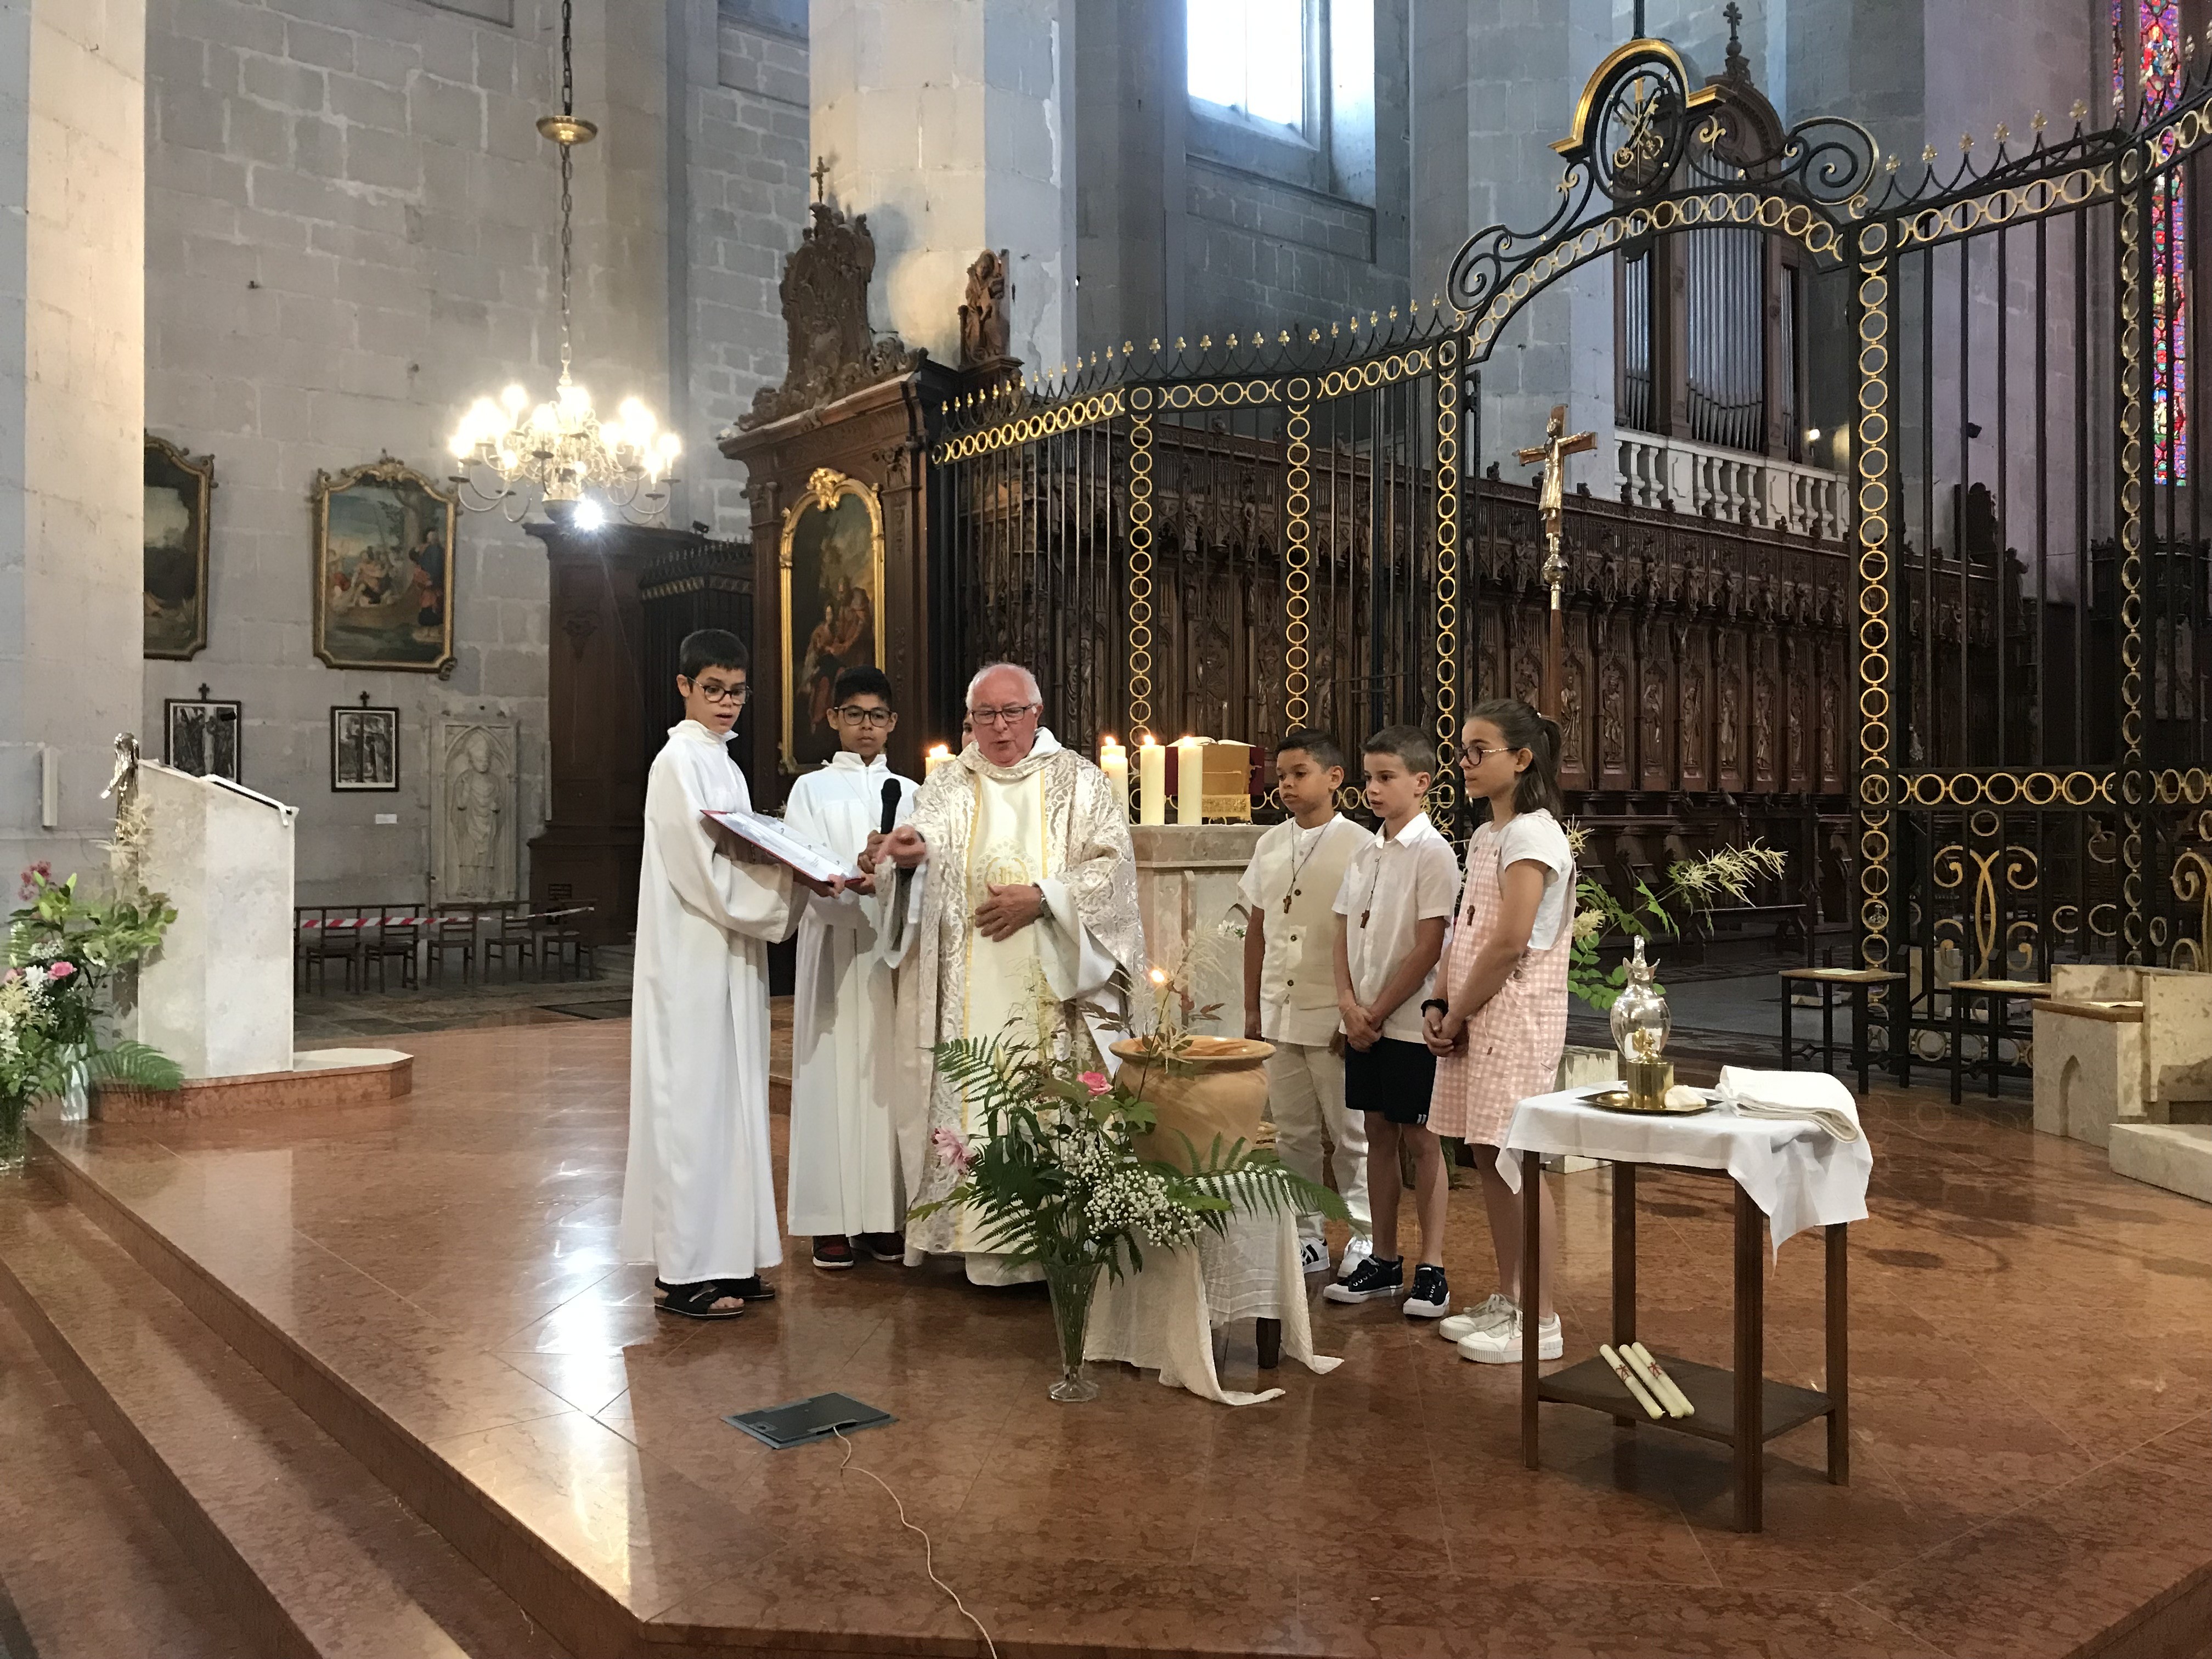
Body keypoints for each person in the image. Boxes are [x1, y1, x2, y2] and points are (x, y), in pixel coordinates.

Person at [864, 662, 1146, 1285]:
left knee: (1052, 1096)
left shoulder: (1079, 781)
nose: (998, 727)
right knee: (976, 1095)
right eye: (984, 715)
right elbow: (925, 837)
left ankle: (1057, 1243)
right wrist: (909, 857)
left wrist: (1044, 897)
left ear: (1036, 714)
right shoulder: (949, 783)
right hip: (970, 983)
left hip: (1053, 981)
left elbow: (1112, 869)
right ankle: (980, 1245)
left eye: (1011, 712)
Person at [619, 628, 837, 1320]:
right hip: (691, 955)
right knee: (692, 1107)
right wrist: (789, 889)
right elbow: (699, 872)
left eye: (737, 692)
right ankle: (684, 1275)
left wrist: (797, 871)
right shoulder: (675, 762)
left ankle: (731, 1261)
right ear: (684, 687)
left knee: (733, 1104)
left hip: (728, 953)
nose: (726, 703)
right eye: (712, 689)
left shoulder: (726, 763)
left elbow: (744, 849)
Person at [1424, 698, 1576, 1363]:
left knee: (1518, 1160)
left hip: (1512, 1013)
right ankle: (1513, 1296)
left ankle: (1541, 1320)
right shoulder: (1489, 835)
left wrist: (1457, 1013)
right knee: (1488, 1153)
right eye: (1462, 751)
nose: (1466, 763)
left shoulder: (1535, 835)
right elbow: (1468, 929)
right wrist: (1439, 999)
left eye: (1479, 751)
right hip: (1473, 1010)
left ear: (1523, 758)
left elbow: (1512, 941)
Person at [782, 665, 920, 1271]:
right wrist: (854, 870)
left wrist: (893, 874)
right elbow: (800, 863)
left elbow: (932, 867)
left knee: (887, 1081)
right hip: (835, 947)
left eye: (878, 717)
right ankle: (831, 1221)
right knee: (830, 1077)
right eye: (854, 715)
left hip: (890, 953)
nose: (867, 727)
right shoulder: (810, 791)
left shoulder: (915, 791)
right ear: (834, 718)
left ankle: (885, 1217)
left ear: (892, 724)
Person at [1321, 725, 1459, 1318]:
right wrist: (1348, 1004)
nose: (1371, 790)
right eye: (1369, 778)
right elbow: (1342, 931)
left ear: (1421, 783)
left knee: (1420, 1139)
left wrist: (1374, 1012)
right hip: (1365, 1020)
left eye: (1385, 778)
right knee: (1377, 1131)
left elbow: (1431, 944)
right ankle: (1382, 1257)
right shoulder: (1366, 851)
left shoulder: (1434, 853)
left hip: (1408, 1021)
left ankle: (1432, 1266)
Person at [1238, 728, 1374, 1280]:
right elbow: (1258, 928)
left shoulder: (1361, 847)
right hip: (1279, 1010)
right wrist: (1252, 1009)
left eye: (1299, 774)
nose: (1286, 786)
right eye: (1281, 777)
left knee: (1350, 1133)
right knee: (1292, 1132)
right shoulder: (1270, 844)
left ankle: (1366, 1233)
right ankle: (1305, 1234)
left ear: (1334, 777)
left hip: (1333, 1011)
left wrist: (1357, 1008)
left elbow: (1369, 938)